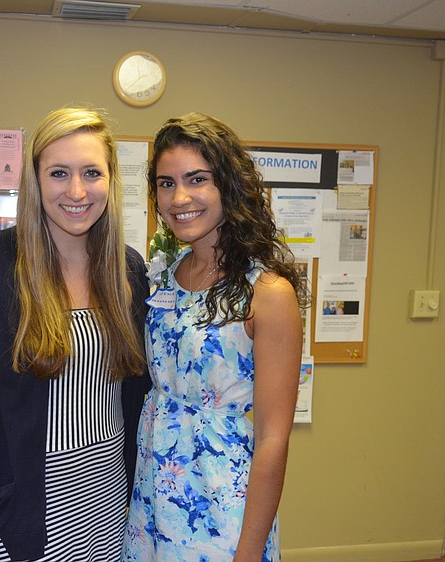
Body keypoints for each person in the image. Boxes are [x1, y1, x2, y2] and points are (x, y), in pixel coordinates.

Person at [0, 106, 150, 562]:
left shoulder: (127, 270)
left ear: (111, 182)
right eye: (59, 173)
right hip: (22, 514)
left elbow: (137, 396)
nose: (77, 191)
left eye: (92, 172)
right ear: (35, 181)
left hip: (112, 504)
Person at [124, 113, 306, 562]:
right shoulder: (163, 277)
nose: (179, 197)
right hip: (151, 493)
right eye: (165, 183)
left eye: (197, 179)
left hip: (220, 504)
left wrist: (247, 553)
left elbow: (271, 438)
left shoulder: (267, 293)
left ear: (229, 185)